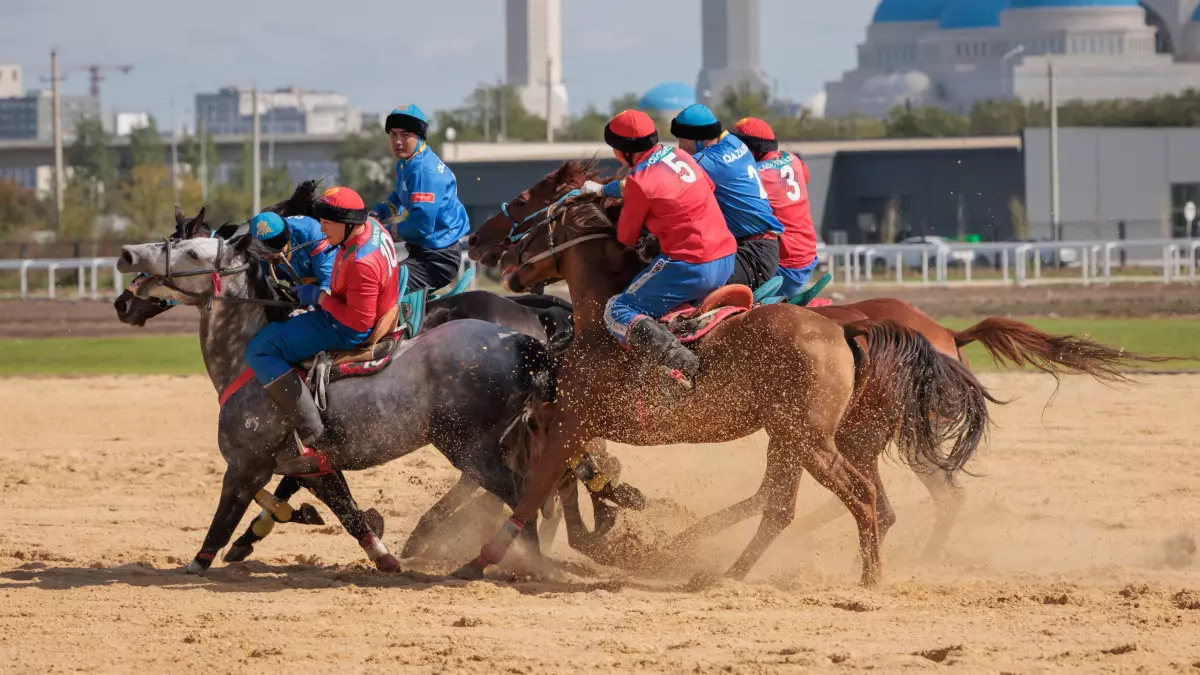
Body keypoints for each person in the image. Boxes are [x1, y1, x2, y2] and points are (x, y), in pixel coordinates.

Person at [579, 110, 736, 389]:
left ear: (622, 152)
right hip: (726, 258)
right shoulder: (680, 156)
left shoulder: (640, 182)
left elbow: (626, 237)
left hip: (690, 266)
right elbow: (706, 186)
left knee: (619, 309)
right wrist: (608, 191)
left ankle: (683, 363)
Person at [245, 186, 400, 449]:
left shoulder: (362, 262)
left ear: (348, 224)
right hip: (379, 304)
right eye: (322, 221)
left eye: (328, 223)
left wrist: (318, 298)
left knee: (260, 350)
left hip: (348, 328)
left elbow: (358, 323)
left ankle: (312, 431)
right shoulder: (371, 225)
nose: (322, 228)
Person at [669, 103, 783, 290]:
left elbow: (660, 182)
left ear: (698, 140)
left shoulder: (708, 161)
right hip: (761, 247)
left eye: (682, 141)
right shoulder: (733, 143)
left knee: (680, 282)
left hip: (751, 255)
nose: (680, 148)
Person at [370, 104, 470, 292]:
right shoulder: (408, 162)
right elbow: (399, 198)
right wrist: (378, 212)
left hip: (438, 258)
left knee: (380, 287)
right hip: (425, 251)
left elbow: (421, 225)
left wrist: (384, 233)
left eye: (405, 135)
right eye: (393, 135)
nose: (398, 141)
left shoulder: (423, 171)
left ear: (419, 136)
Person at [731, 117, 819, 296]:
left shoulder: (755, 175)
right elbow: (806, 175)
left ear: (752, 148)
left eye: (737, 146)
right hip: (807, 257)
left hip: (784, 265)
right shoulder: (792, 159)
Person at [247, 211, 335, 292]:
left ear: (283, 242)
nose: (265, 257)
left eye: (268, 252)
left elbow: (328, 281)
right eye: (260, 252)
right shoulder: (260, 252)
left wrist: (314, 298)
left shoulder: (312, 234)